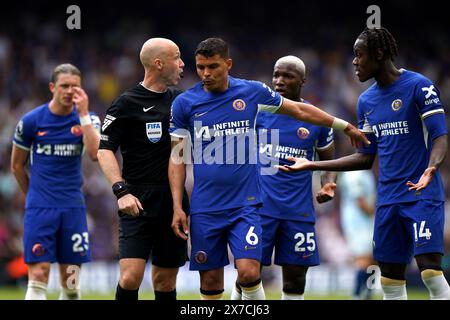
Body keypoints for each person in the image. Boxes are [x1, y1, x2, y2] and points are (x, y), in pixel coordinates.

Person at [168, 38, 369, 300]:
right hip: (206, 206)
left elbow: (299, 110)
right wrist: (177, 206)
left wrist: (344, 125)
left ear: (228, 64)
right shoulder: (185, 103)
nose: (206, 74)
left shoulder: (252, 93)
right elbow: (176, 158)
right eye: (200, 67)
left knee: (250, 273)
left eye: (213, 67)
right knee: (210, 281)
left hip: (247, 205)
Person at [278, 27, 450, 300]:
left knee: (430, 272)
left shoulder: (420, 86)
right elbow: (365, 157)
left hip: (421, 193)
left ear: (379, 54)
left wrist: (432, 167)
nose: (354, 62)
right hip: (388, 199)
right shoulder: (366, 101)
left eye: (359, 55)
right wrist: (313, 166)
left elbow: (440, 135)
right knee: (390, 280)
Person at [228, 55, 337, 300]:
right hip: (259, 208)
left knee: (296, 278)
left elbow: (328, 159)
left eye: (287, 76)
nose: (279, 81)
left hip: (298, 212)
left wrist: (328, 183)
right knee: (247, 273)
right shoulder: (259, 113)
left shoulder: (317, 119)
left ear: (303, 81)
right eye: (276, 75)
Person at [97, 38, 189, 301]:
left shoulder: (181, 102)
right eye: (177, 57)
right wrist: (121, 191)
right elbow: (104, 150)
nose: (183, 64)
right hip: (136, 198)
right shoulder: (126, 103)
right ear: (158, 63)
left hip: (172, 199)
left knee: (165, 280)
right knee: (130, 276)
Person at [11, 63, 101, 300]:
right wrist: (33, 195)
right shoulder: (31, 121)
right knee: (39, 274)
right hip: (40, 208)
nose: (70, 91)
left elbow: (95, 153)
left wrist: (83, 115)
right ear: (52, 87)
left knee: (70, 282)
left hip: (73, 207)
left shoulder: (88, 119)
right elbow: (16, 165)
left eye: (75, 86)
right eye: (64, 86)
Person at [339, 170, 376, 299]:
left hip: (363, 223)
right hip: (359, 224)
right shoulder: (356, 174)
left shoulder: (362, 172)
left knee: (372, 260)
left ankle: (366, 295)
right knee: (363, 260)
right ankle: (357, 295)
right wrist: (376, 214)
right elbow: (360, 201)